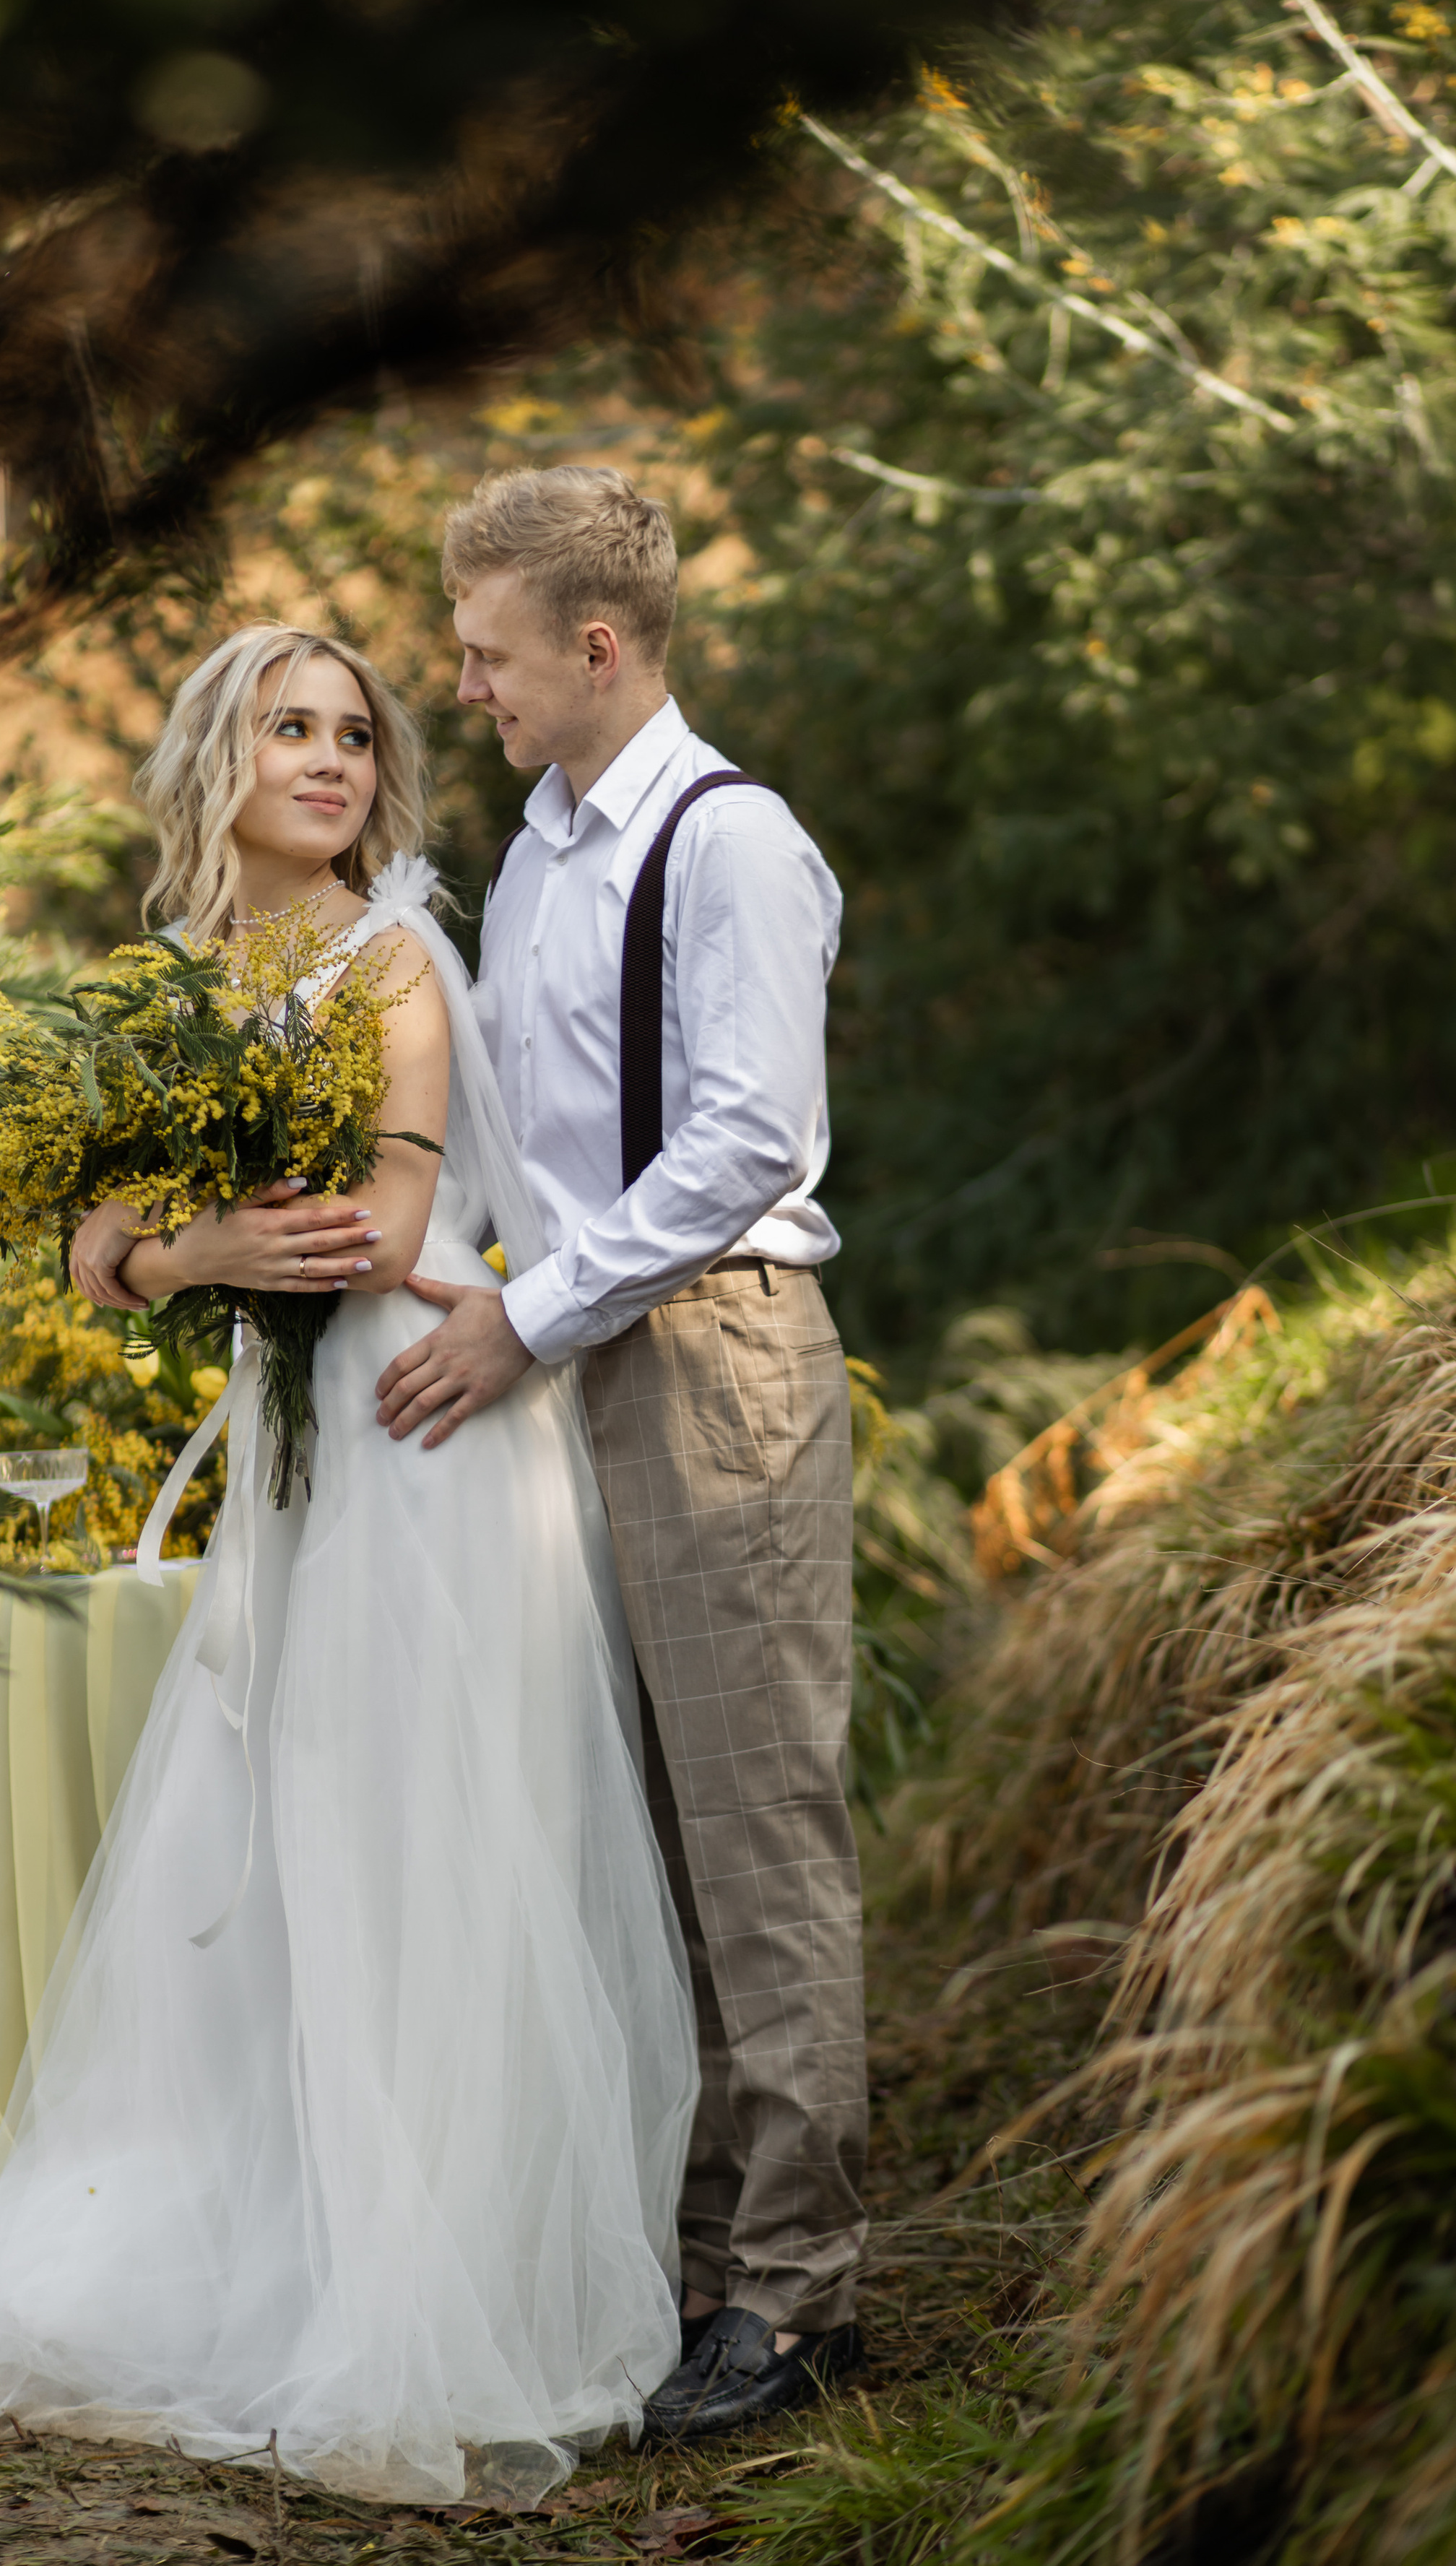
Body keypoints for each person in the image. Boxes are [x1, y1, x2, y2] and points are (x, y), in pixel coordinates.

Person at [0, 624, 697, 2506]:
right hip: (302, 1446)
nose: (327, 758)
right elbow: (98, 1245)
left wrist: (200, 1237)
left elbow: (385, 1224)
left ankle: (445, 2265)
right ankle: (293, 2217)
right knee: (289, 1812)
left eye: (352, 734)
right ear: (218, 759)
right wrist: (186, 1245)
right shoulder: (166, 994)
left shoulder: (394, 949)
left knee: (420, 1824)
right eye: (287, 727)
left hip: (427, 1418)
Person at [373, 467, 866, 2443]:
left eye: (488, 655)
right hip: (565, 1355)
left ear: (594, 646)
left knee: (754, 1828)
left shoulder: (730, 843)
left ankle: (801, 2297)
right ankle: (685, 2268)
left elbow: (745, 1140)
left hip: (712, 1351)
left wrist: (531, 1315)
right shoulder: (538, 853)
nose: (465, 687)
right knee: (634, 1837)